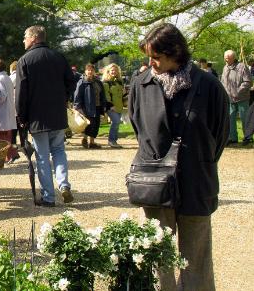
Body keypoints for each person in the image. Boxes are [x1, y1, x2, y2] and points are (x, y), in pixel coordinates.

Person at [131, 23, 228, 290]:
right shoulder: (141, 84)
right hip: (155, 186)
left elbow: (219, 135)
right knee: (157, 256)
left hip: (196, 183)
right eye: (148, 57)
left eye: (156, 57)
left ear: (176, 52)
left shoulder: (208, 86)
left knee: (196, 259)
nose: (151, 63)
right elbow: (139, 126)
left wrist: (196, 160)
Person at [15, 25, 75, 207]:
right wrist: (62, 99)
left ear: (33, 38)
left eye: (25, 36)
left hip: (37, 117)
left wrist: (21, 116)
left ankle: (49, 197)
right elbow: (71, 82)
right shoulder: (59, 57)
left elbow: (21, 94)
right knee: (58, 151)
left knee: (42, 156)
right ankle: (63, 184)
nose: (23, 40)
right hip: (57, 114)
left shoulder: (24, 60)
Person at [220, 50, 252, 145]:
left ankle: (247, 137)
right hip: (229, 98)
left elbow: (248, 82)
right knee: (230, 118)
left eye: (228, 59)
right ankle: (232, 138)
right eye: (225, 59)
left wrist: (237, 92)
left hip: (242, 98)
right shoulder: (225, 68)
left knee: (244, 118)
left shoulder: (242, 67)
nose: (227, 61)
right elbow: (223, 82)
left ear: (234, 58)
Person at [0, 59, 18, 163]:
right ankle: (12, 154)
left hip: (3, 111)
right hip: (9, 110)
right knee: (8, 136)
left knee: (2, 136)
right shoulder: (7, 78)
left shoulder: (0, 79)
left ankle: (8, 156)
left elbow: (2, 97)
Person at [74, 64, 108, 149]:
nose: (90, 71)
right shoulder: (82, 82)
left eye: (91, 70)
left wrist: (103, 105)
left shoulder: (98, 81)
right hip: (86, 107)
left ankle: (92, 142)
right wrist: (78, 108)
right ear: (85, 71)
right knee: (89, 124)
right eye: (88, 70)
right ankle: (84, 139)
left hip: (97, 106)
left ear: (94, 71)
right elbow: (77, 95)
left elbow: (102, 94)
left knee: (96, 125)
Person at [102, 63, 125, 148]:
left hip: (119, 106)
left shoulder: (119, 81)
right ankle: (111, 140)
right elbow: (106, 96)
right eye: (112, 70)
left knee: (117, 123)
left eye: (115, 70)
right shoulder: (106, 83)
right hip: (111, 106)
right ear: (108, 71)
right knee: (116, 122)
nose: (114, 72)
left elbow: (122, 94)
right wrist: (111, 105)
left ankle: (114, 141)